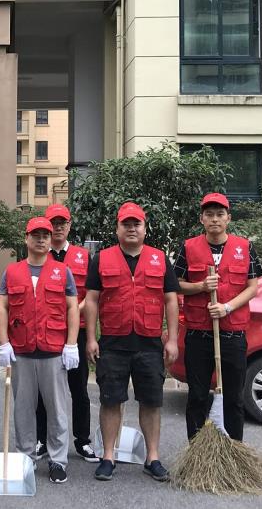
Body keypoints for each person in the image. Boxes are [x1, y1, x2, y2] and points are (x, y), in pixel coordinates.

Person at [84, 202, 179, 483]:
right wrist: (90, 338)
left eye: (137, 223)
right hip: (113, 343)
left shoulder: (160, 259)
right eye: (126, 224)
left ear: (145, 228)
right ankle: (108, 456)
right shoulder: (101, 259)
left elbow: (171, 300)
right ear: (117, 229)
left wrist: (172, 339)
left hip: (149, 343)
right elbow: (91, 299)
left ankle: (152, 458)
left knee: (151, 401)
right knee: (110, 400)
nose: (132, 228)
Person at [0, 216, 80, 485]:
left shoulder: (62, 271)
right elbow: (2, 308)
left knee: (57, 409)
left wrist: (71, 344)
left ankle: (57, 460)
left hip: (53, 350)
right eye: (36, 235)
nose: (41, 240)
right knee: (23, 409)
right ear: (27, 238)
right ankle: (26, 457)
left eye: (45, 235)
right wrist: (3, 342)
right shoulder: (12, 271)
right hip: (22, 351)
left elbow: (72, 307)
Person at [174, 192, 262, 441]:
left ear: (228, 218)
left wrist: (227, 308)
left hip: (233, 335)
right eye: (209, 214)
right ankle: (196, 452)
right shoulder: (188, 247)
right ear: (202, 219)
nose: (215, 219)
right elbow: (176, 284)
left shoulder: (244, 247)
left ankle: (234, 451)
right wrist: (200, 286)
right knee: (197, 397)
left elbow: (253, 287)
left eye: (220, 214)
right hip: (199, 335)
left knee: (234, 398)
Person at [33, 204, 98, 463]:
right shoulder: (38, 255)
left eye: (63, 222)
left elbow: (92, 296)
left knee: (78, 388)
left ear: (69, 225)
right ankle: (42, 439)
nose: (58, 227)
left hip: (76, 332)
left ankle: (82, 440)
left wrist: (76, 317)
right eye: (54, 223)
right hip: (46, 331)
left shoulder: (83, 256)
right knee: (43, 390)